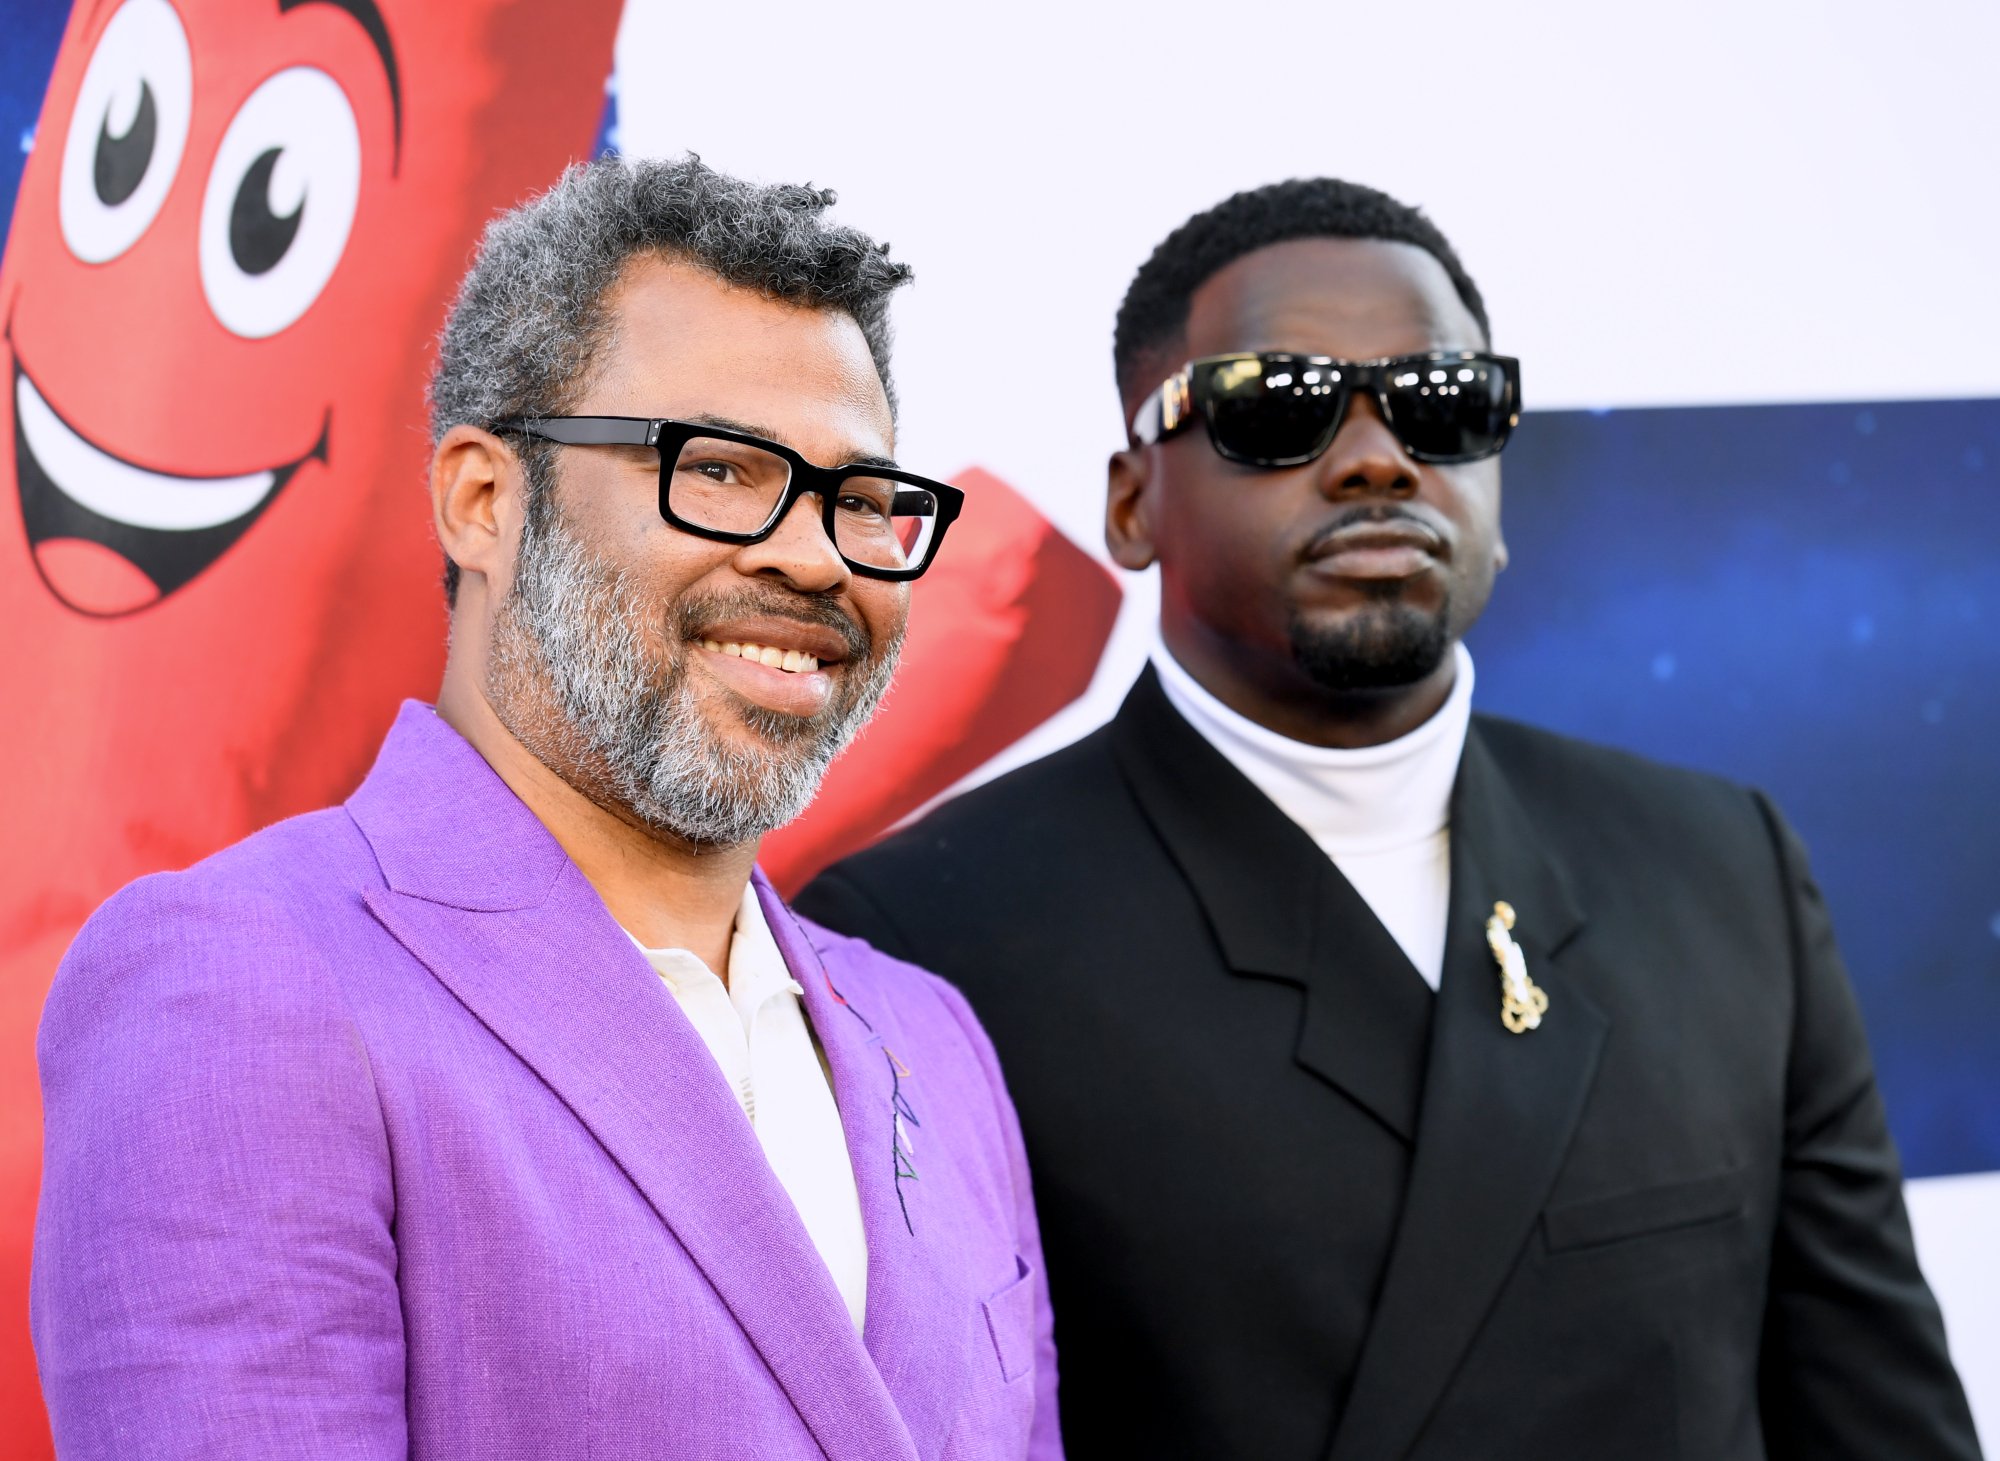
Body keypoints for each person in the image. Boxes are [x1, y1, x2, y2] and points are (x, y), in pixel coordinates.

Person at [797, 179, 1980, 1460]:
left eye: (1443, 402)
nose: (1377, 456)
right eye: (1275, 406)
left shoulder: (1717, 866)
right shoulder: (911, 943)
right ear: (1130, 503)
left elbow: (1877, 1414)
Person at [32, 156, 1059, 1461]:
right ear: (482, 499)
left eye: (861, 500)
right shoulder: (248, 980)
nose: (815, 556)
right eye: (725, 470)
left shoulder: (936, 1043)